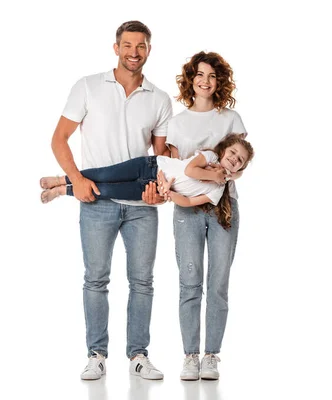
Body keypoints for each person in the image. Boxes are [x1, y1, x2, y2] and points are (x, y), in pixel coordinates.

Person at [48, 21, 172, 380]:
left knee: (142, 282)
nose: (134, 52)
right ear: (116, 47)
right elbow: (59, 138)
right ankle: (96, 354)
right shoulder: (88, 86)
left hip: (141, 208)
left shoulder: (160, 99)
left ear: (149, 50)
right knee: (96, 279)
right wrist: (75, 179)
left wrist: (160, 193)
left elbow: (159, 161)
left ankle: (138, 355)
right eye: (128, 45)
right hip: (96, 203)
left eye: (141, 46)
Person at [167, 51, 247, 381]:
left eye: (212, 76)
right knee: (189, 282)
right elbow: (171, 164)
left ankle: (211, 355)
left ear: (220, 82)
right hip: (185, 207)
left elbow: (241, 164)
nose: (205, 80)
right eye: (200, 74)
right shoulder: (177, 121)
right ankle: (190, 355)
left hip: (223, 208)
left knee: (218, 284)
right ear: (190, 79)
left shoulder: (231, 118)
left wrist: (223, 177)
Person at [40, 134, 254, 209]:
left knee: (104, 190)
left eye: (240, 160)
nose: (234, 158)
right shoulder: (210, 157)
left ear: (241, 168)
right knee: (105, 175)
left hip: (153, 188)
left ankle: (61, 191)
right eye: (233, 152)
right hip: (151, 166)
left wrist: (170, 194)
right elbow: (190, 171)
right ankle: (61, 179)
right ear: (224, 149)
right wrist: (215, 175)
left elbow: (189, 202)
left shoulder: (218, 191)